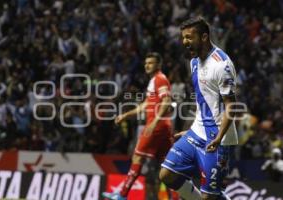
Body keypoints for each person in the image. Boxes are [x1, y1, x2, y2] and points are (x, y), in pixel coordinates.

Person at [159, 17, 238, 200]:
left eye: (189, 37)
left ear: (204, 37)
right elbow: (204, 102)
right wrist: (191, 130)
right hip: (197, 132)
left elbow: (231, 106)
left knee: (209, 197)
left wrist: (218, 138)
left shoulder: (222, 65)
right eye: (183, 38)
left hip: (219, 138)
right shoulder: (193, 62)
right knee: (166, 175)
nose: (185, 42)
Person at [102, 52, 173, 200]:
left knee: (137, 158)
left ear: (158, 65)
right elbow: (145, 105)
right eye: (146, 63)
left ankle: (122, 195)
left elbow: (167, 101)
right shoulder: (153, 81)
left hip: (157, 126)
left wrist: (154, 122)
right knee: (166, 167)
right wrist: (126, 115)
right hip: (164, 127)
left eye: (151, 63)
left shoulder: (160, 79)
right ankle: (176, 197)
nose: (147, 65)